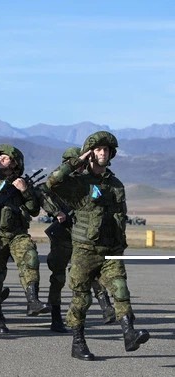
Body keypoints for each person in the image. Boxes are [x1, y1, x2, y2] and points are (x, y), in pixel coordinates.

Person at [46, 131, 150, 360]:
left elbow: (119, 218)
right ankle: (78, 342)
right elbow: (52, 182)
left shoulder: (116, 184)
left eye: (107, 149)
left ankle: (129, 333)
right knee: (81, 298)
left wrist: (120, 246)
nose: (103, 153)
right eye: (98, 149)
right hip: (85, 250)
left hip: (111, 251)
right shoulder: (79, 184)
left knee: (121, 291)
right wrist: (77, 162)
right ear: (91, 153)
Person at [36, 147, 115, 333]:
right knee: (58, 278)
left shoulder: (87, 183)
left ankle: (106, 308)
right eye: (75, 164)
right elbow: (43, 192)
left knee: (92, 274)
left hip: (83, 237)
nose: (79, 168)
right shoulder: (59, 185)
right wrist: (57, 212)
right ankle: (56, 317)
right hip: (62, 236)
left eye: (82, 164)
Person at [0, 144, 49, 334]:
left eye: (5, 158)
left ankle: (33, 301)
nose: (0, 160)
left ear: (15, 162)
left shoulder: (23, 182)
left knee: (30, 257)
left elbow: (33, 209)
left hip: (17, 233)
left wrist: (24, 190)